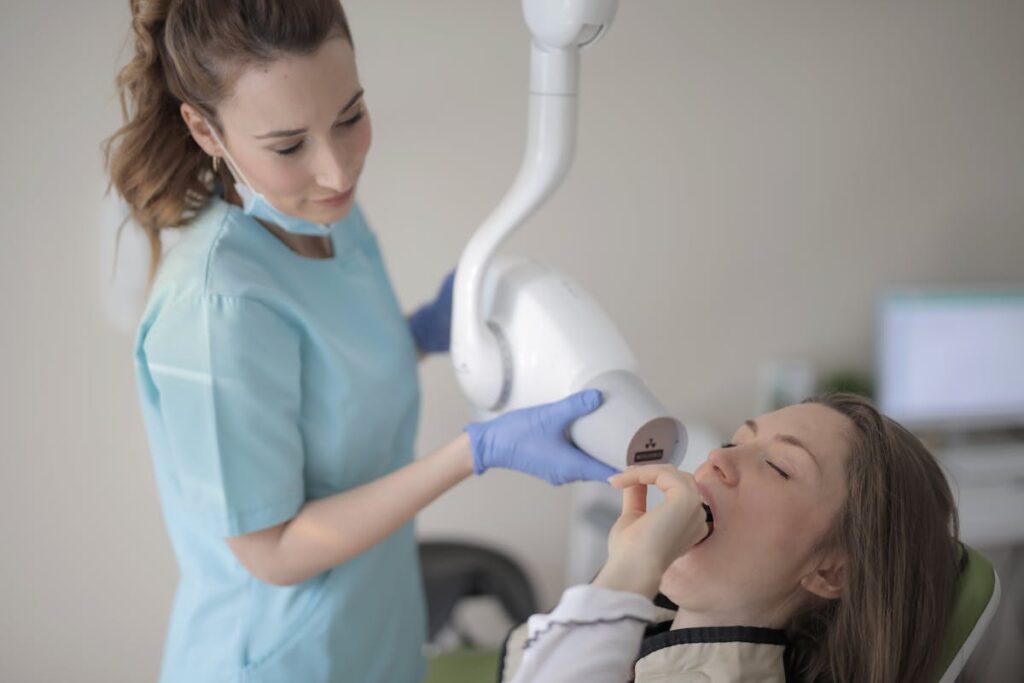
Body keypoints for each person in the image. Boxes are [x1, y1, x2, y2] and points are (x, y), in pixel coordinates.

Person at [104, 2, 616, 681]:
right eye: (288, 146)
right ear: (204, 129)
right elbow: (273, 551)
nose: (339, 170)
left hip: (374, 628)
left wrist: (423, 333)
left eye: (350, 117)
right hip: (280, 658)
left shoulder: (321, 214)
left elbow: (328, 392)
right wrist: (476, 452)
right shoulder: (215, 308)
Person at [500, 393, 962, 683]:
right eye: (735, 441)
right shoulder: (646, 618)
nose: (719, 458)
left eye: (779, 466)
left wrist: (632, 567)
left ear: (831, 569)